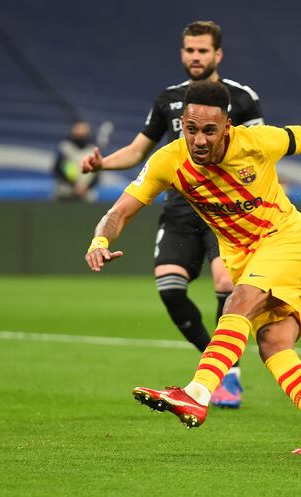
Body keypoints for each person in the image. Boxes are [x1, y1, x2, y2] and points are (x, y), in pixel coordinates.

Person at [84, 80, 301, 454]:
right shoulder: (168, 160)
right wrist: (100, 240)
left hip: (288, 242)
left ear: (228, 126)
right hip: (247, 258)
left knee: (237, 304)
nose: (199, 140)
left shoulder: (257, 142)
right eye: (191, 129)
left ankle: (196, 393)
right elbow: (119, 211)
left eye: (209, 131)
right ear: (183, 123)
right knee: (274, 345)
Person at [81, 20, 263, 408]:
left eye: (202, 51)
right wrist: (102, 164)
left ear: (218, 55)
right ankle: (218, 362)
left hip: (225, 208)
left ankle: (224, 375)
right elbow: (137, 150)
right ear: (182, 54)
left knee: (224, 281)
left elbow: (261, 151)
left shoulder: (242, 99)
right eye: (189, 50)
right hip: (181, 207)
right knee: (169, 286)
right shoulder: (167, 100)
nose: (195, 57)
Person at [53, 121, 100, 202]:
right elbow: (57, 170)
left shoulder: (92, 150)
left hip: (86, 194)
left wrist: (86, 187)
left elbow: (97, 174)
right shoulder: (65, 148)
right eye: (78, 129)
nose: (81, 132)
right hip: (64, 193)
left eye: (83, 129)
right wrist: (75, 185)